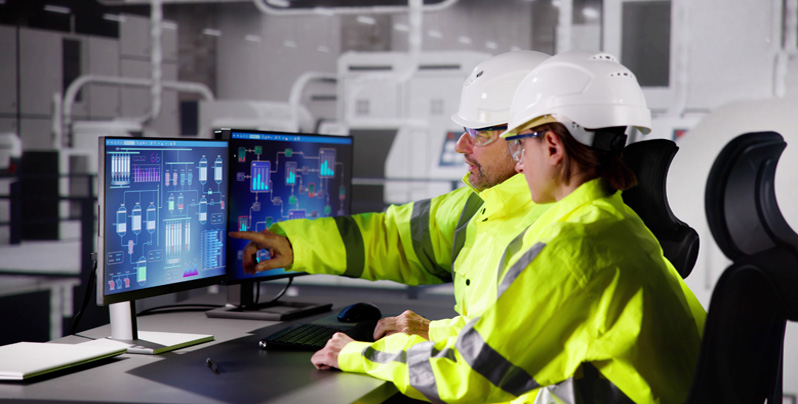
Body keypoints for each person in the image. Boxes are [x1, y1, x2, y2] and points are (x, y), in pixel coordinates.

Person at [310, 51, 707, 404]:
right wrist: (434, 332)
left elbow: (468, 378)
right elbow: (516, 333)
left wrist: (354, 353)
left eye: (520, 145)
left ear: (552, 147)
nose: (518, 164)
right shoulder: (614, 225)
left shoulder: (570, 248)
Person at [230, 50, 551, 342]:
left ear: (527, 137)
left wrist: (369, 352)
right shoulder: (478, 206)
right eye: (465, 130)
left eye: (479, 133)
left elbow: (497, 354)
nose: (460, 147)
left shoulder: (562, 230)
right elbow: (392, 237)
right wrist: (293, 245)